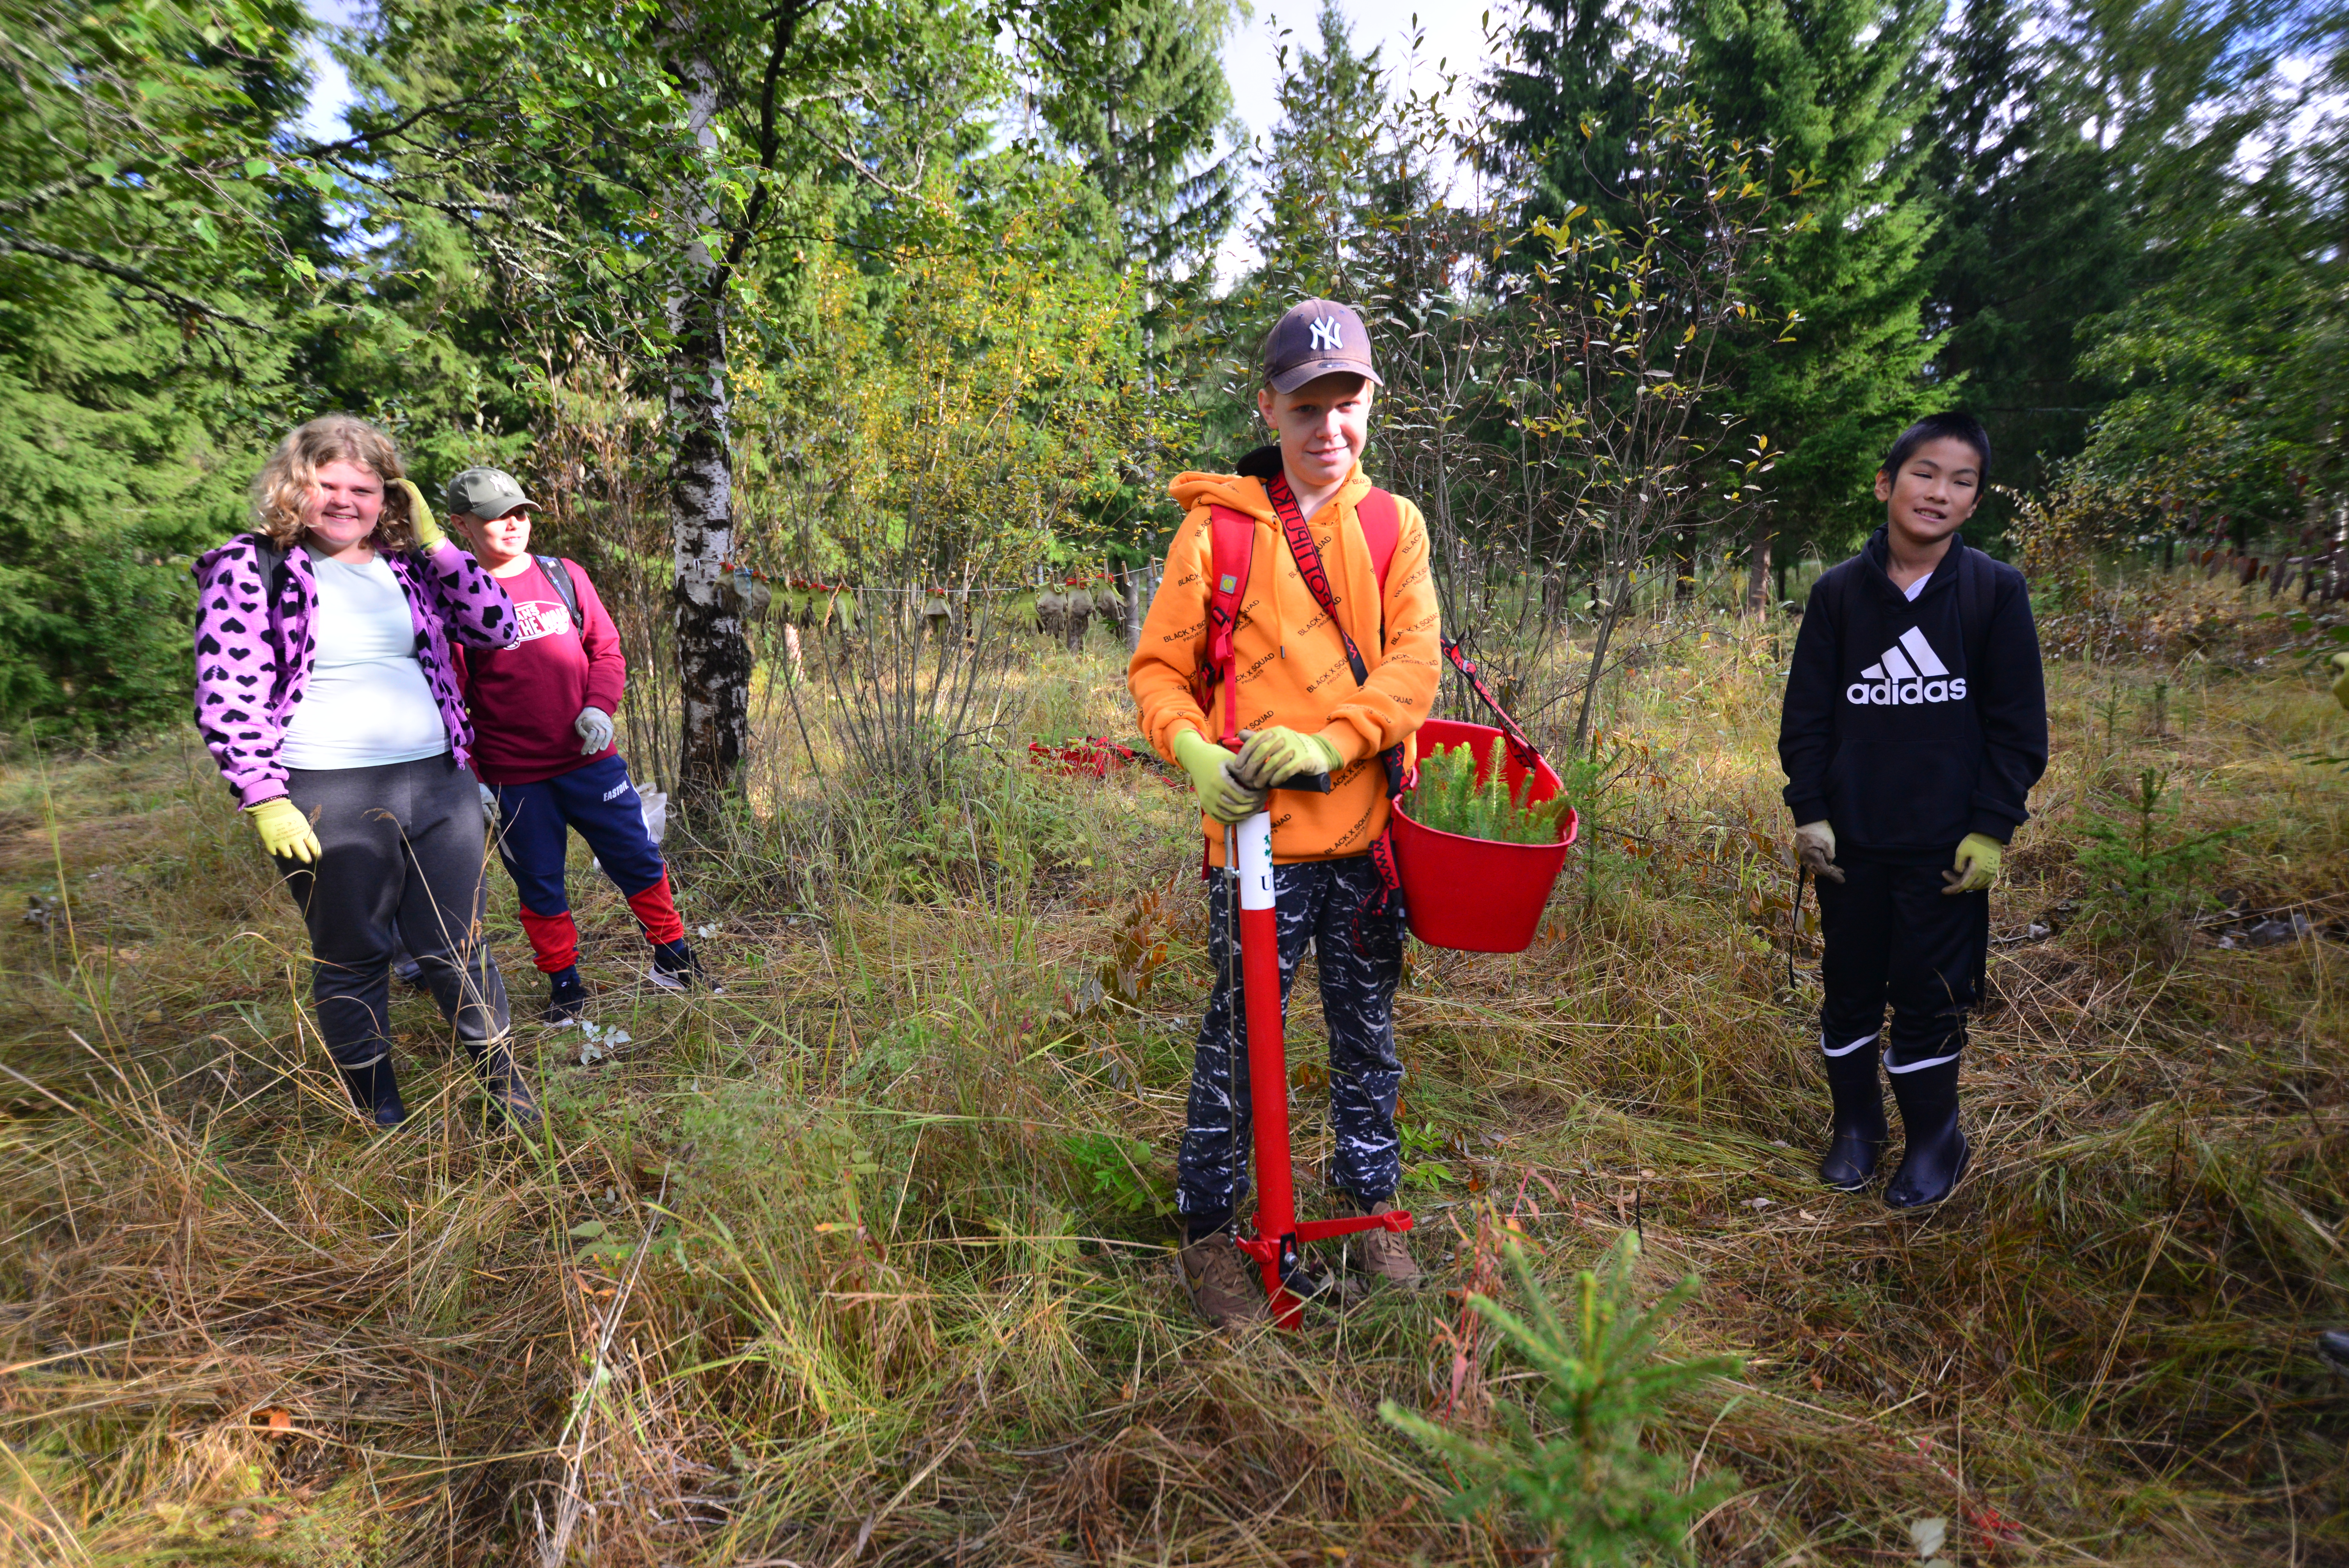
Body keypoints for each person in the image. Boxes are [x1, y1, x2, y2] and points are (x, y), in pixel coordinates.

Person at [1129, 299, 1441, 1327]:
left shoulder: (1395, 527)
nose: (1329, 429)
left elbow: (1413, 668)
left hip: (1362, 842)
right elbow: (1161, 672)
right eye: (1307, 407)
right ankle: (1214, 1236)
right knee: (1236, 1040)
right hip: (1252, 848)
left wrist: (1330, 743)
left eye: (1346, 402)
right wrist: (1187, 751)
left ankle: (1371, 1209)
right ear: (1271, 407)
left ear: (1370, 406)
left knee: (1366, 1031)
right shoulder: (1217, 531)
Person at [192, 415, 536, 1129]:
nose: (347, 502)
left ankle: (505, 1092)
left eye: (367, 489)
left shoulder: (410, 568)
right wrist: (263, 795)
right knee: (353, 954)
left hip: (440, 782)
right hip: (325, 792)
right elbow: (229, 691)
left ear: (390, 497)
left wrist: (439, 543)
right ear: (296, 487)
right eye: (330, 486)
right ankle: (380, 1111)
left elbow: (498, 627)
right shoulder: (253, 565)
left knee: (459, 944)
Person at [1778, 412, 2048, 1208]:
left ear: (1972, 504)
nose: (1938, 492)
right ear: (1886, 483)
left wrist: (1990, 827)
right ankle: (1856, 1128)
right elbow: (1806, 718)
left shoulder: (1994, 593)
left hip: (1944, 849)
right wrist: (1810, 808)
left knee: (1931, 993)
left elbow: (2016, 728)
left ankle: (1935, 1139)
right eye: (1924, 473)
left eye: (1960, 482)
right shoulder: (1836, 594)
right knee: (1850, 984)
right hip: (1848, 844)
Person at [441, 467, 708, 1021]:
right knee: (540, 883)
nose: (513, 526)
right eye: (496, 518)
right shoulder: (456, 599)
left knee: (637, 859)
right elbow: (448, 698)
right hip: (514, 775)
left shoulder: (563, 575)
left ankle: (674, 960)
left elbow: (605, 650)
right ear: (461, 526)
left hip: (591, 763)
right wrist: (471, 779)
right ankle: (566, 989)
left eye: (519, 513)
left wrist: (597, 707)